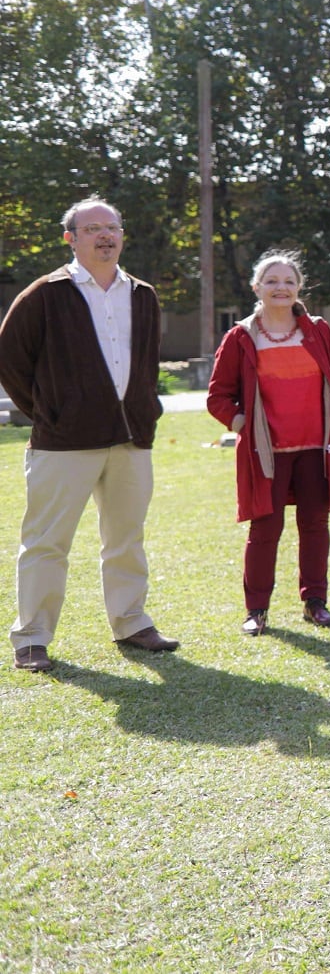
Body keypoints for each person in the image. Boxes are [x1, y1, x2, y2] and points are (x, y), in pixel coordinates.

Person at [0, 197, 177, 672]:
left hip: (130, 440)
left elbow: (146, 364)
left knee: (126, 537)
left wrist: (144, 409)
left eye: (112, 227)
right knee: (45, 542)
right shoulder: (43, 294)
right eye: (92, 227)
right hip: (63, 443)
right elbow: (9, 360)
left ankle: (131, 621)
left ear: (122, 235)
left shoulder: (142, 294)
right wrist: (50, 412)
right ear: (70, 238)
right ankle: (32, 637)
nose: (104, 235)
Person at [206, 250, 330, 634]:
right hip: (265, 453)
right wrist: (241, 423)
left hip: (316, 449)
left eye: (289, 281)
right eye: (272, 281)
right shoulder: (241, 336)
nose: (281, 288)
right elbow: (218, 396)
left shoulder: (318, 331)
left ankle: (315, 603)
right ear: (257, 288)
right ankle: (256, 611)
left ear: (299, 288)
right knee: (264, 531)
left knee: (315, 525)